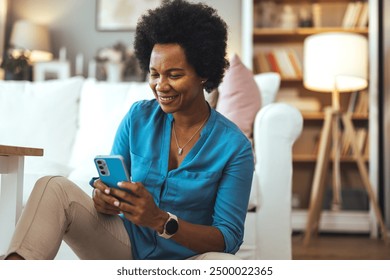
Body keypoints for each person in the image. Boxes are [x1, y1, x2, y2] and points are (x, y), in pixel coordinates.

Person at [5, 0, 254, 260]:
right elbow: (111, 186)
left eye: (174, 75)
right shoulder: (138, 117)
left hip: (189, 258)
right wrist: (103, 197)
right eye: (154, 74)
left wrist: (161, 220)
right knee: (52, 186)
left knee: (224, 263)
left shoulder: (234, 148)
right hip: (125, 245)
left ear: (203, 73)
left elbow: (228, 237)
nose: (161, 85)